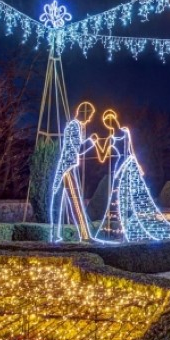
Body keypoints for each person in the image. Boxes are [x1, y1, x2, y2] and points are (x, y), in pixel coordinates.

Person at [91, 109, 170, 243]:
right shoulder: (110, 137)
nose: (109, 123)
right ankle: (119, 229)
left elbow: (130, 150)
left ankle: (129, 226)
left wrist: (138, 165)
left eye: (110, 120)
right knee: (117, 199)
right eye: (107, 122)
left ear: (114, 120)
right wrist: (96, 143)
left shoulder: (125, 132)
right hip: (118, 168)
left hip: (127, 165)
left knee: (133, 196)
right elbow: (103, 156)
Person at [48, 101, 96, 243]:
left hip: (67, 167)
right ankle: (85, 236)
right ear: (84, 113)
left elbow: (76, 148)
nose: (90, 119)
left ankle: (56, 236)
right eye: (90, 115)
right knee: (75, 203)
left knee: (66, 203)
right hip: (68, 168)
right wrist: (90, 142)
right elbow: (76, 149)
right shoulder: (74, 126)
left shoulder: (75, 126)